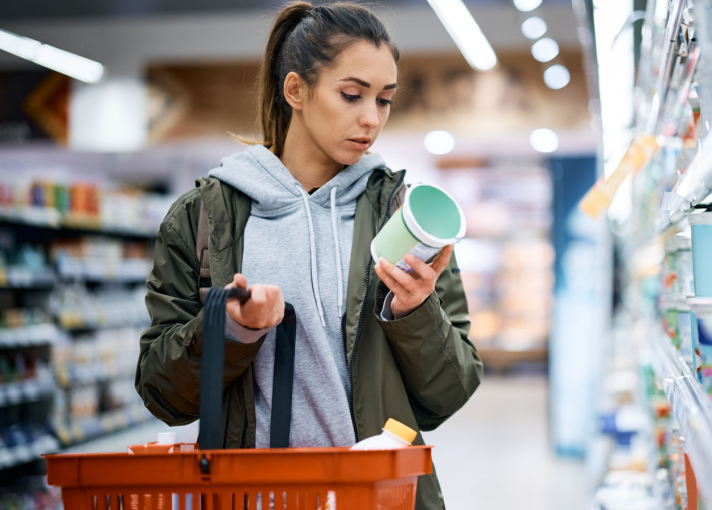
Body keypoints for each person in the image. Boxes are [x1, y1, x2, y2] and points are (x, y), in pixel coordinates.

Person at [135, 2, 483, 508]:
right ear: (295, 90)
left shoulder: (402, 217)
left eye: (384, 100)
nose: (371, 119)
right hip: (253, 497)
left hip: (378, 497)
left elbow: (449, 393)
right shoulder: (204, 218)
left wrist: (414, 314)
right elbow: (162, 393)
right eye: (351, 95)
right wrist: (233, 329)